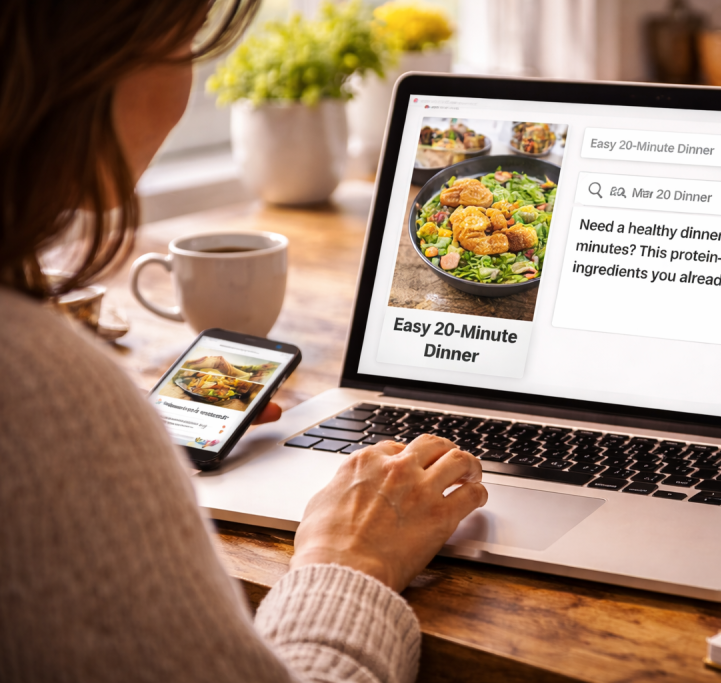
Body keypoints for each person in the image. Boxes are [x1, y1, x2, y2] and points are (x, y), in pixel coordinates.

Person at [0, 1, 488, 681]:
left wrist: (117, 445)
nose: (186, 86)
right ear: (89, 58)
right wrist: (351, 563)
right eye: (185, 40)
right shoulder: (37, 389)